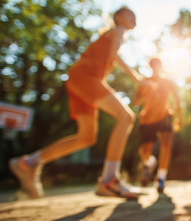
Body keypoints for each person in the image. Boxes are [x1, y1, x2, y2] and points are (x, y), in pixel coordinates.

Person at [8, 7, 146, 199]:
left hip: (78, 80)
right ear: (119, 17)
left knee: (86, 137)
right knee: (126, 117)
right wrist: (138, 79)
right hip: (86, 78)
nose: (134, 18)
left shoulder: (112, 34)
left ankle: (27, 163)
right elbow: (115, 54)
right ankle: (109, 181)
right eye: (130, 14)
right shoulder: (118, 31)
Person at [133, 57, 182, 193]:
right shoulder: (144, 82)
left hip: (165, 116)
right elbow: (135, 102)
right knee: (144, 151)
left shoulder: (168, 82)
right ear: (149, 67)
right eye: (153, 65)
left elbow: (177, 101)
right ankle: (149, 164)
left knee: (166, 144)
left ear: (161, 66)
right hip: (148, 119)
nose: (155, 67)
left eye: (158, 65)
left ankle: (161, 178)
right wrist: (146, 91)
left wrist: (180, 118)